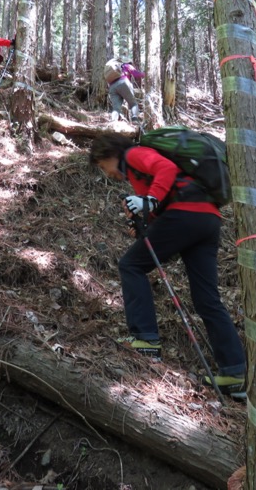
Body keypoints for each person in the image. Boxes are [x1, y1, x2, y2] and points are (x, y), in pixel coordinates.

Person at [89, 132, 246, 398]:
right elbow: (160, 203)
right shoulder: (137, 175)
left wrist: (149, 201)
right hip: (207, 220)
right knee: (207, 298)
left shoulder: (134, 155)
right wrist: (144, 223)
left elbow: (166, 168)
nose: (108, 174)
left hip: (185, 215)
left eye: (104, 167)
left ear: (110, 155)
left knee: (131, 265)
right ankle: (234, 372)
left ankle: (145, 338)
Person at [106, 58, 144, 123]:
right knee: (133, 103)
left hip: (112, 87)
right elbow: (136, 74)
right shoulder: (127, 65)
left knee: (116, 108)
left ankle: (113, 122)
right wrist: (145, 74)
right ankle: (134, 119)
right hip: (123, 82)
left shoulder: (116, 68)